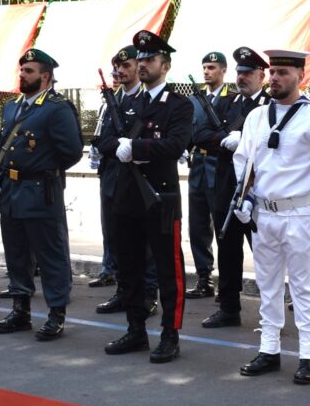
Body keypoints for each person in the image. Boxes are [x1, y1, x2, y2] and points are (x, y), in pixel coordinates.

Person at [234, 49, 310, 385]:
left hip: (298, 212)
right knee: (266, 285)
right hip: (263, 213)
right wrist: (244, 197)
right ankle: (269, 348)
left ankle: (309, 355)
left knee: (302, 286)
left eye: (283, 72)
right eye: (273, 72)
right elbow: (245, 161)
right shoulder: (256, 117)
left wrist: (302, 186)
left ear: (301, 76)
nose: (276, 78)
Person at [101, 30, 192, 364]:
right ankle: (135, 329)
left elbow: (176, 145)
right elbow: (104, 140)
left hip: (160, 197)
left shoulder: (178, 105)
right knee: (130, 268)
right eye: (139, 59)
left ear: (165, 65)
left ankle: (170, 333)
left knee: (169, 271)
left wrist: (135, 148)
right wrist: (118, 147)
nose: (142, 65)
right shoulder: (125, 102)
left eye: (149, 59)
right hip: (126, 198)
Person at [0, 49, 83, 340]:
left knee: (50, 254)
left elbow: (72, 151)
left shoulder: (56, 107)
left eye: (28, 71)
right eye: (22, 70)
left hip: (42, 191)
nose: (22, 75)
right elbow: (6, 147)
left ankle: (56, 314)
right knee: (16, 253)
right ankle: (21, 310)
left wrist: (43, 169)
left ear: (45, 76)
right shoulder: (11, 107)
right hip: (13, 191)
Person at [202, 46, 270, 328]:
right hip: (226, 187)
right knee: (227, 249)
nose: (242, 78)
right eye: (240, 72)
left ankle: (270, 311)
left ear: (262, 76)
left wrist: (242, 140)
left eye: (249, 73)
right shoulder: (227, 103)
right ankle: (229, 307)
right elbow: (201, 134)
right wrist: (222, 140)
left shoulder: (270, 105)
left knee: (265, 253)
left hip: (258, 190)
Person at [90, 45, 160, 316]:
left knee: (145, 244)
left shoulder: (147, 101)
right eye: (118, 67)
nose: (121, 71)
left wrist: (129, 145)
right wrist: (116, 144)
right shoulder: (113, 101)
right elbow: (102, 139)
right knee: (116, 238)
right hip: (112, 178)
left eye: (126, 66)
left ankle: (148, 294)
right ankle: (123, 291)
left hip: (139, 180)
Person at [185, 51, 230, 299]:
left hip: (218, 167)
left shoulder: (230, 99)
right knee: (198, 225)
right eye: (204, 67)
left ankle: (226, 282)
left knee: (222, 226)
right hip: (198, 167)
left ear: (223, 71)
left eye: (212, 67)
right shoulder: (193, 100)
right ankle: (204, 277)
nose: (206, 72)